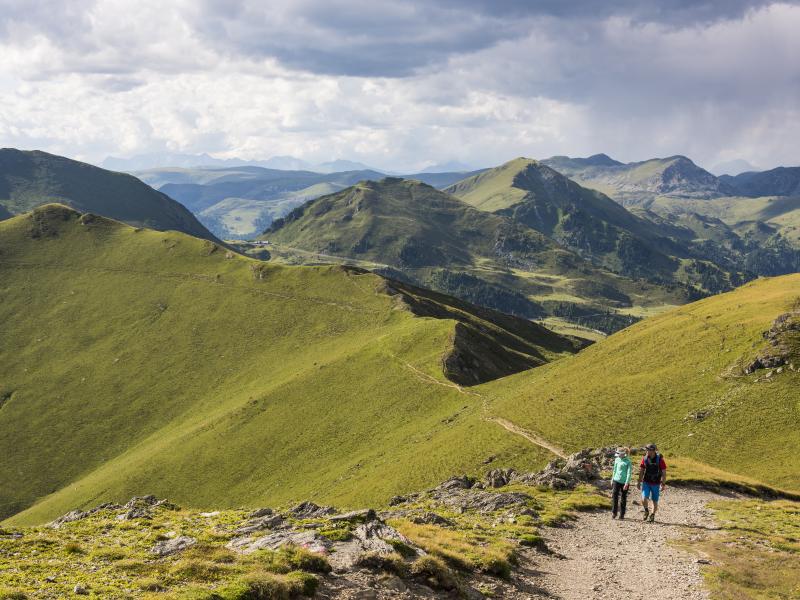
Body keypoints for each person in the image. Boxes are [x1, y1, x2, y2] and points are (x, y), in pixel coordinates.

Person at [636, 443, 667, 522]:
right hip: (646, 482)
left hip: (656, 483)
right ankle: (646, 511)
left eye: (648, 450)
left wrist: (663, 484)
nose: (647, 451)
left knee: (654, 501)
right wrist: (639, 482)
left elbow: (664, 472)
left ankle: (652, 515)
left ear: (653, 450)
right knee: (644, 498)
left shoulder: (660, 459)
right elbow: (641, 470)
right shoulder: (645, 458)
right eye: (646, 449)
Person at [610, 447, 632, 519]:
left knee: (623, 497)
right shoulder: (617, 460)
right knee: (614, 495)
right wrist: (612, 479)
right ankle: (614, 512)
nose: (617, 455)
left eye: (619, 453)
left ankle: (622, 514)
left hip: (624, 482)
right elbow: (614, 470)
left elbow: (629, 473)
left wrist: (626, 483)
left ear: (623, 454)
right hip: (616, 480)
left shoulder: (628, 461)